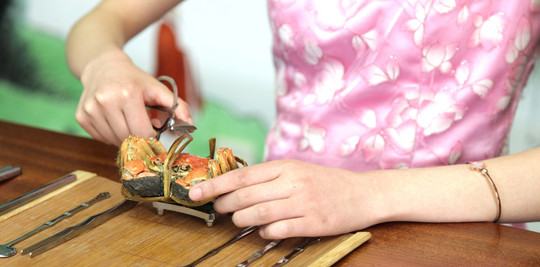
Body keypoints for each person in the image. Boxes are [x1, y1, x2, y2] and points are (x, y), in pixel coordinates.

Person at [66, 0, 540, 239]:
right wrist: (102, 63)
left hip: (467, 238)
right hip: (282, 222)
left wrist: (366, 194)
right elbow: (98, 24)